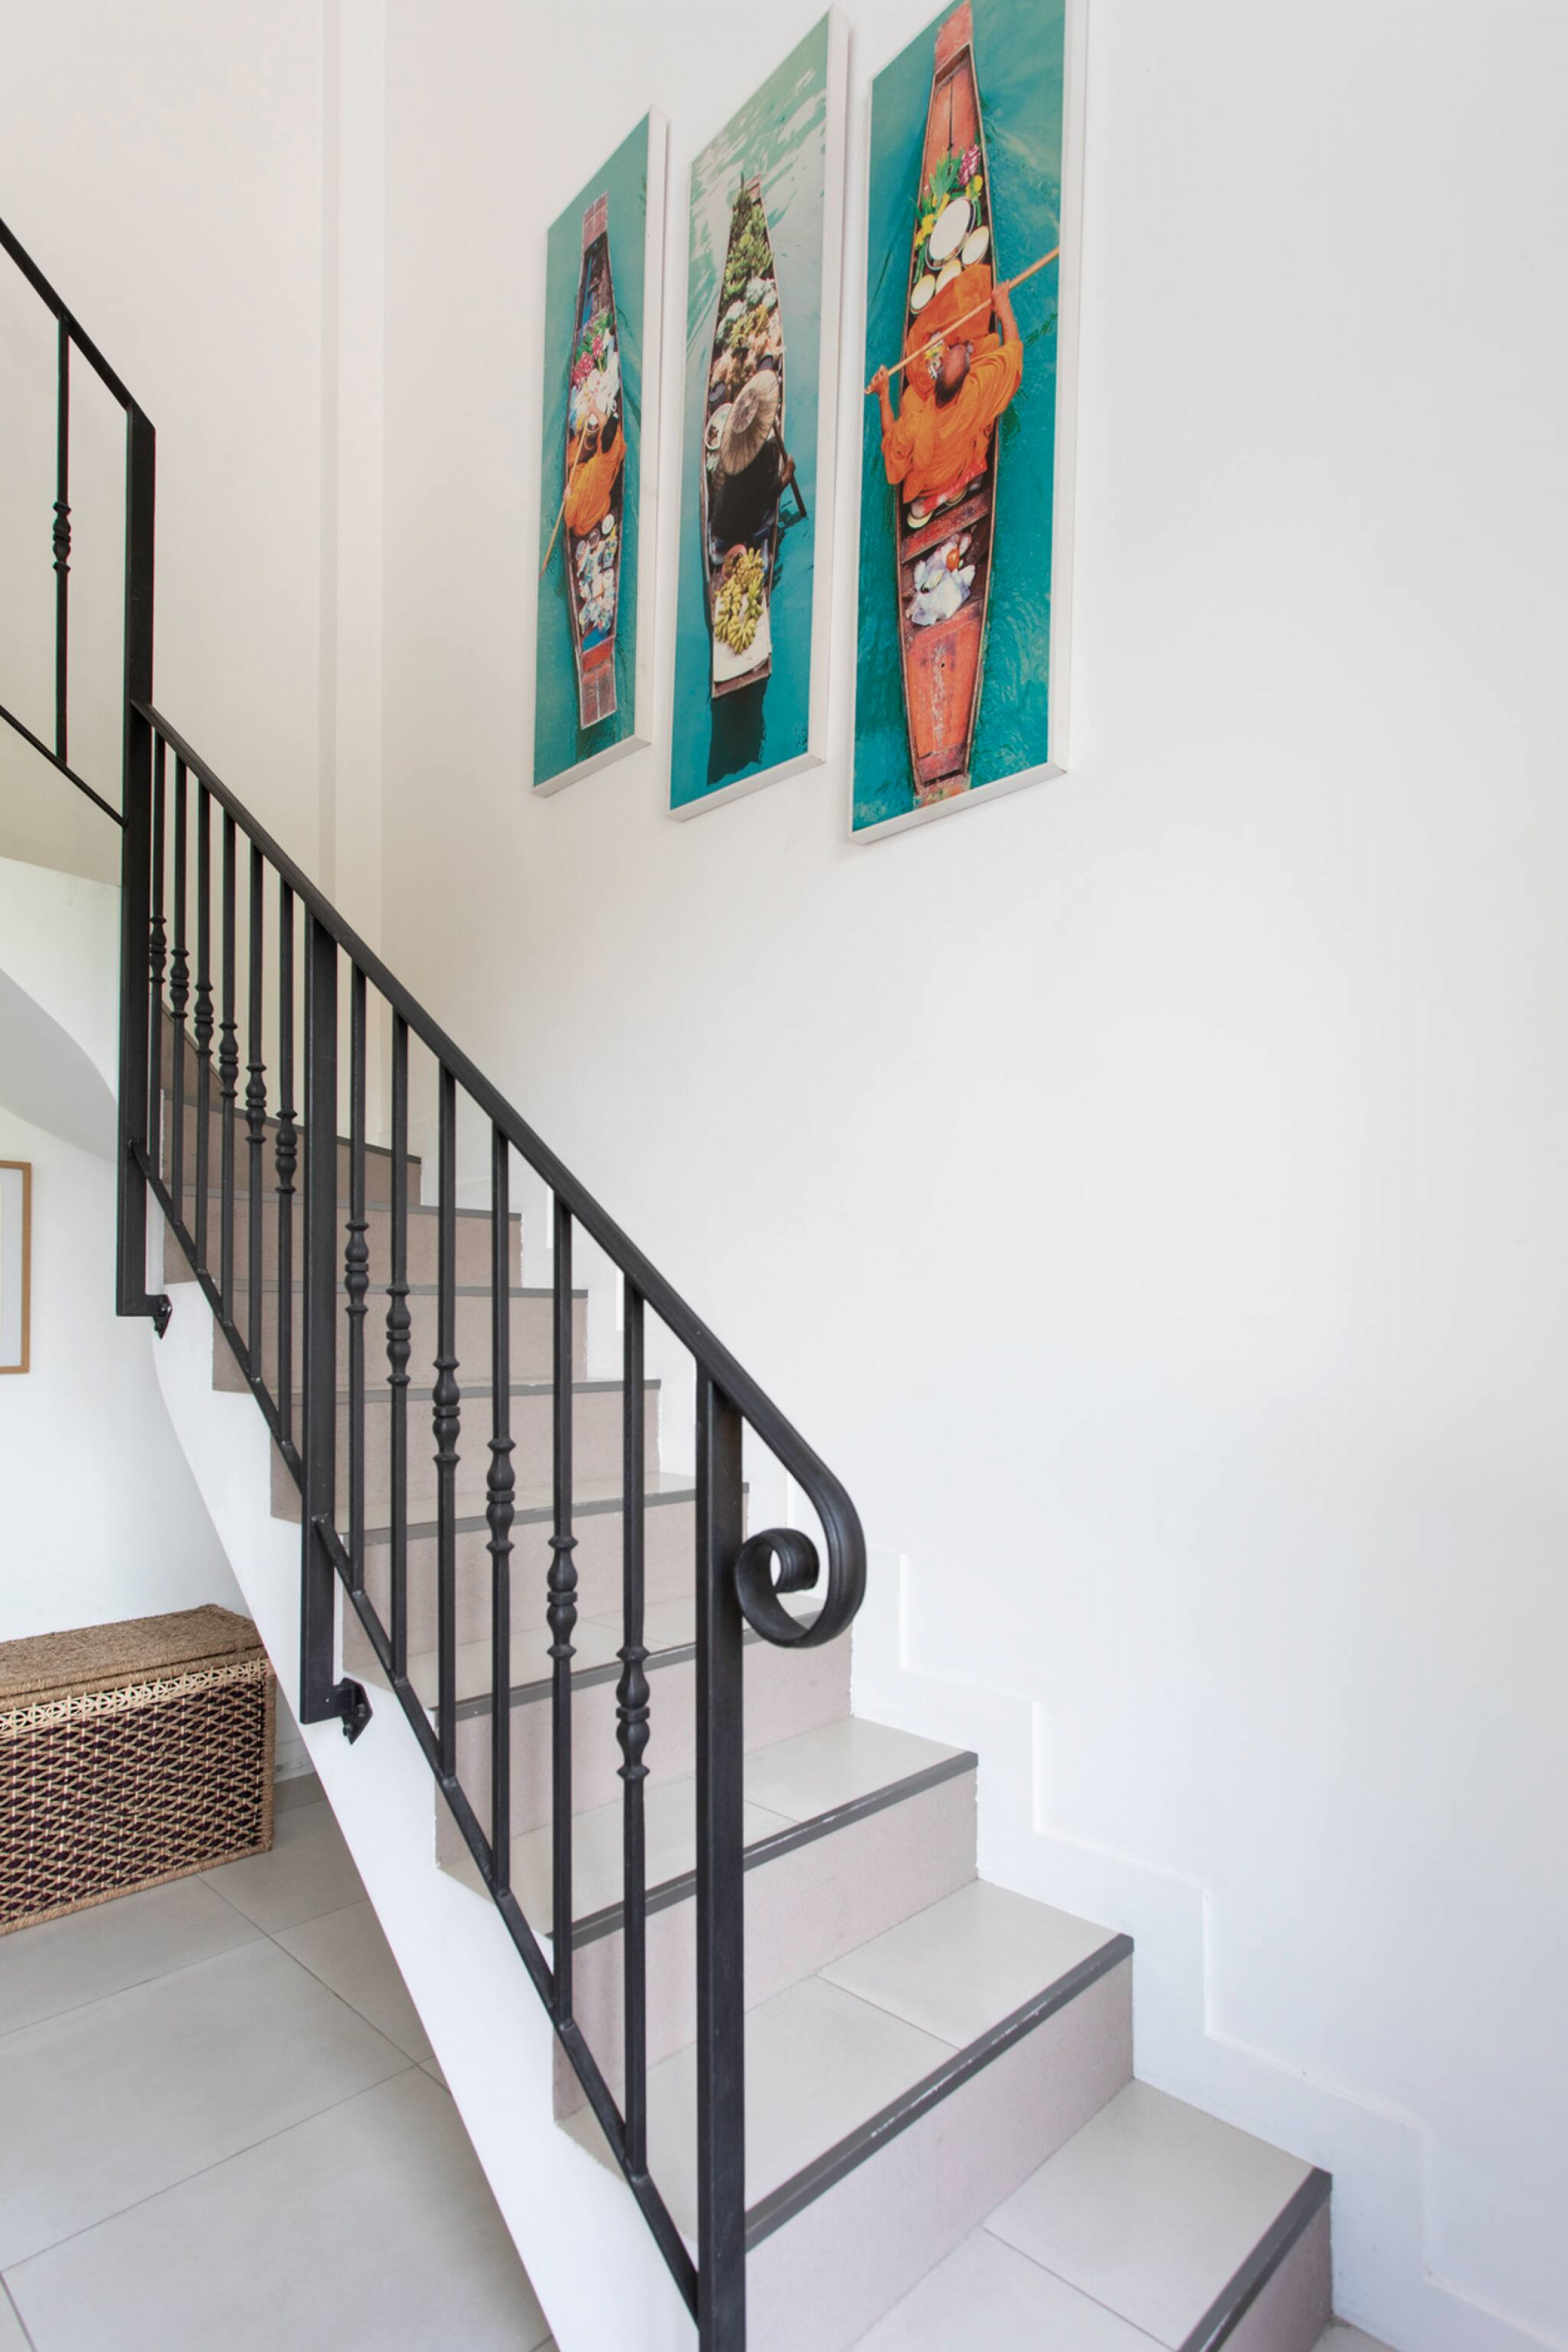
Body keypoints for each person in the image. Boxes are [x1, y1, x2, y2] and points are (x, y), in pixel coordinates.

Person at [872, 269, 1022, 511]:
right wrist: (1004, 309)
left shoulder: (916, 426)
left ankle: (939, 494)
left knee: (909, 397)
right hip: (956, 466)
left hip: (925, 482)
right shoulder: (975, 392)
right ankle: (966, 478)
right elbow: (1013, 352)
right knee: (992, 345)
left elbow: (890, 439)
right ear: (966, 379)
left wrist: (883, 394)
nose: (954, 348)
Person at [709, 366, 796, 550]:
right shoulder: (767, 454)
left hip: (719, 523)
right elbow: (771, 494)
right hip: (740, 531)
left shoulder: (730, 453)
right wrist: (787, 475)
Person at [564, 402, 624, 539]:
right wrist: (595, 410)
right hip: (602, 498)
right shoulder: (617, 444)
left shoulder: (590, 476)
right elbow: (605, 425)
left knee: (576, 473)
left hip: (583, 525)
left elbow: (569, 520)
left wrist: (568, 497)